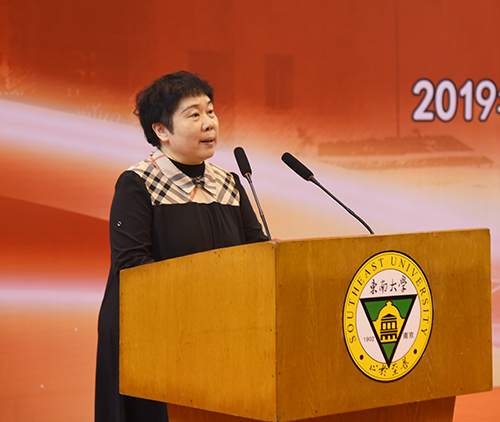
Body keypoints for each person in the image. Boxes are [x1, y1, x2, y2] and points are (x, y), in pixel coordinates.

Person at [94, 71, 268, 422]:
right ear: (161, 130)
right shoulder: (138, 183)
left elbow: (258, 254)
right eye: (194, 114)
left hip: (221, 331)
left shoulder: (229, 183)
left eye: (211, 111)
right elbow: (132, 266)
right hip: (153, 335)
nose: (209, 123)